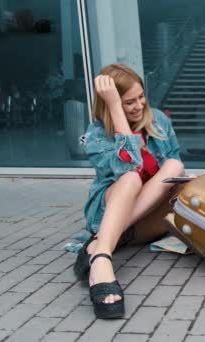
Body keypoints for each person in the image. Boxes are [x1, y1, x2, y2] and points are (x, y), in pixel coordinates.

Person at [74, 63, 184, 319]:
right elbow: (129, 165)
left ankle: (101, 241)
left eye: (141, 97)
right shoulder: (97, 134)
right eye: (128, 102)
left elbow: (175, 163)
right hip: (108, 212)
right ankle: (102, 258)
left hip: (147, 215)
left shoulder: (158, 121)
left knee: (175, 165)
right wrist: (114, 108)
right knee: (132, 179)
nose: (138, 106)